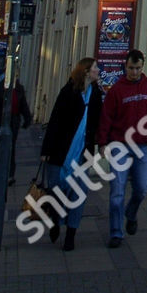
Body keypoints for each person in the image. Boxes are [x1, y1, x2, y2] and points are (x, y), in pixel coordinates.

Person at [97, 49, 147, 248]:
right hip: (120, 145)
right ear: (125, 67)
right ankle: (116, 232)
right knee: (117, 190)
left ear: (142, 67)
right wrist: (102, 142)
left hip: (142, 145)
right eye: (131, 68)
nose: (134, 72)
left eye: (137, 68)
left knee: (142, 187)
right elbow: (106, 117)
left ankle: (131, 212)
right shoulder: (117, 90)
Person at [40, 58, 103, 250]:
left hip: (83, 154)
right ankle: (55, 220)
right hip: (61, 152)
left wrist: (101, 143)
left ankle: (71, 235)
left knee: (78, 195)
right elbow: (55, 121)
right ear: (85, 72)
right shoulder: (68, 92)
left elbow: (98, 121)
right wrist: (46, 150)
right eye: (94, 69)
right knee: (56, 191)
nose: (98, 71)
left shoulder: (96, 94)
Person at [0, 73, 32, 183]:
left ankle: (10, 175)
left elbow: (23, 105)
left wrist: (27, 119)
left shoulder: (19, 89)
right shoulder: (0, 88)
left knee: (10, 147)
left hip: (13, 122)